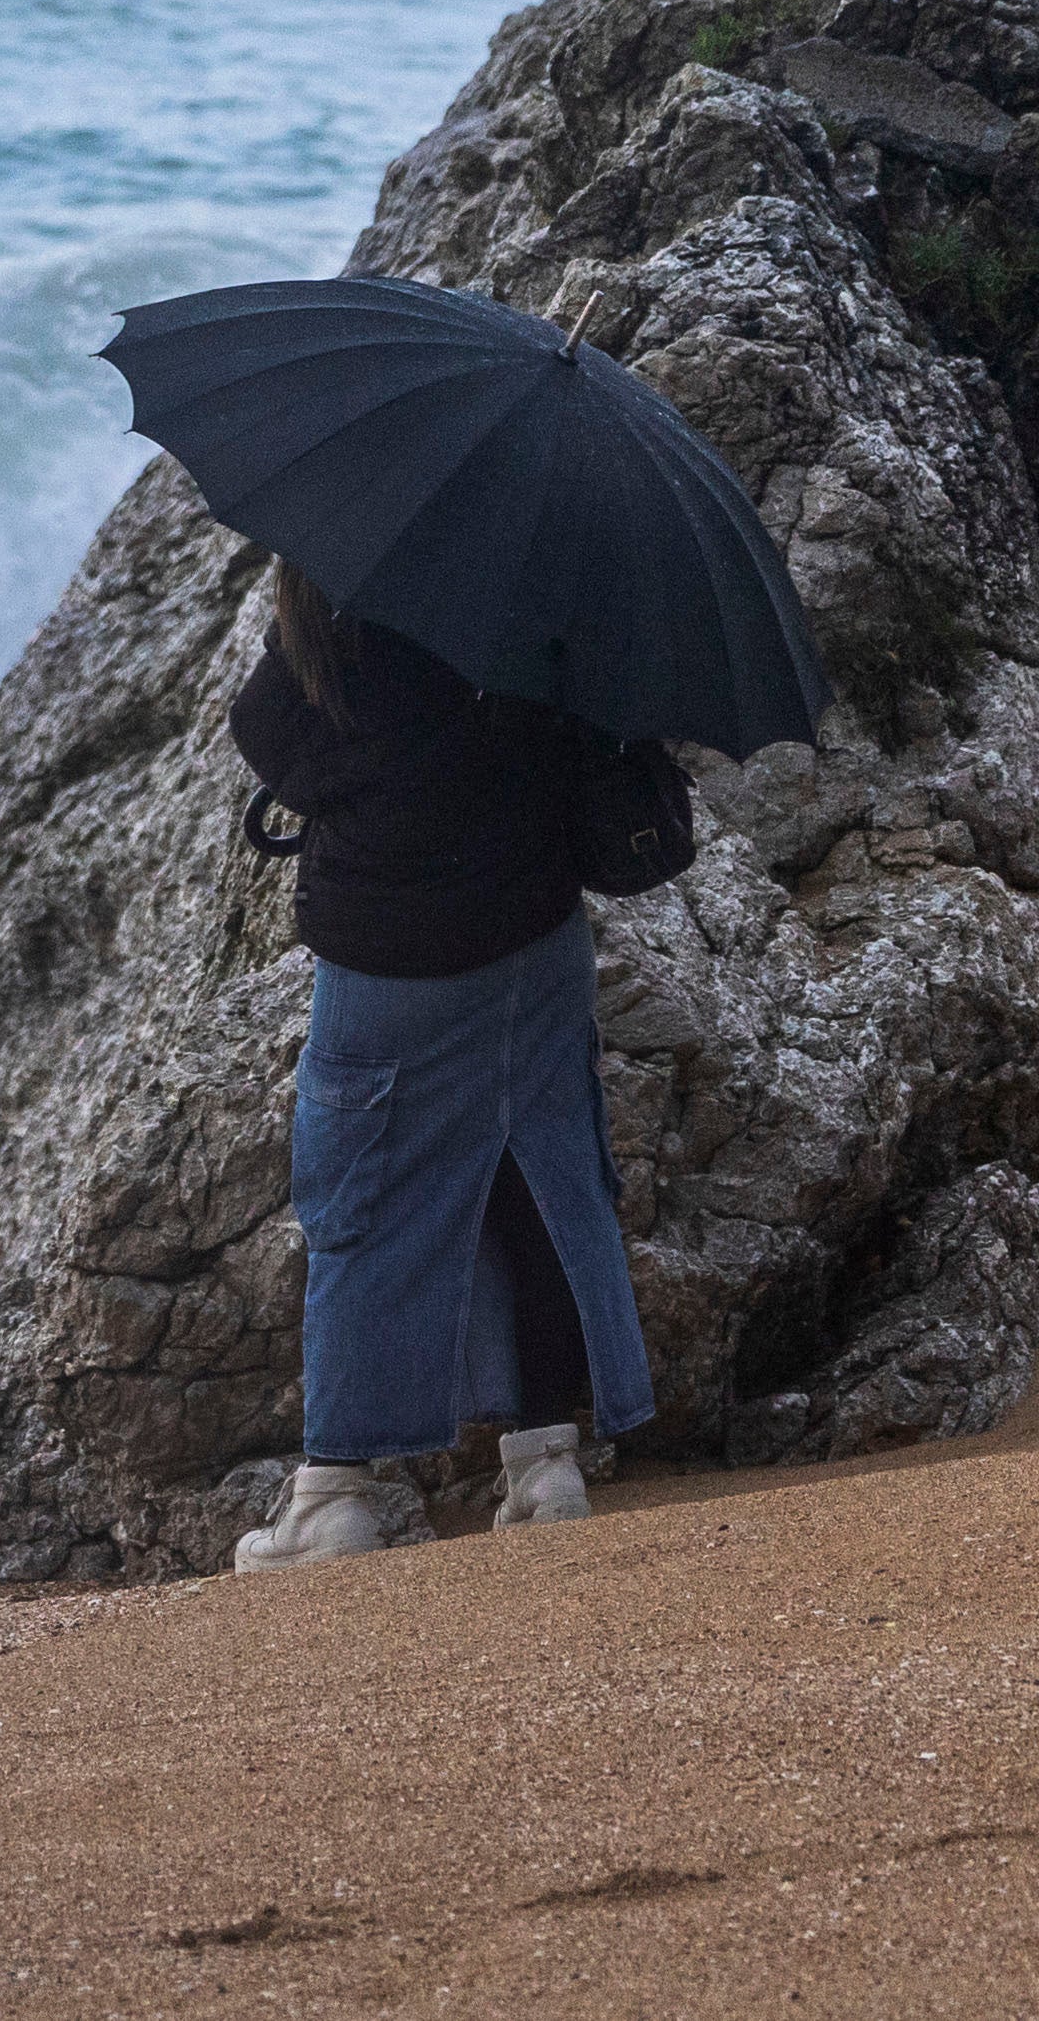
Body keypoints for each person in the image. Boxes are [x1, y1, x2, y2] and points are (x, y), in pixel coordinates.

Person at [220, 563, 659, 1566]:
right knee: (535, 1175)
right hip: (535, 937)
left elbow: (268, 725)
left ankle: (334, 1493)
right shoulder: (545, 577)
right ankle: (546, 1471)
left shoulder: (363, 569)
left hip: (393, 954)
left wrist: (354, 783)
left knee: (359, 1199)